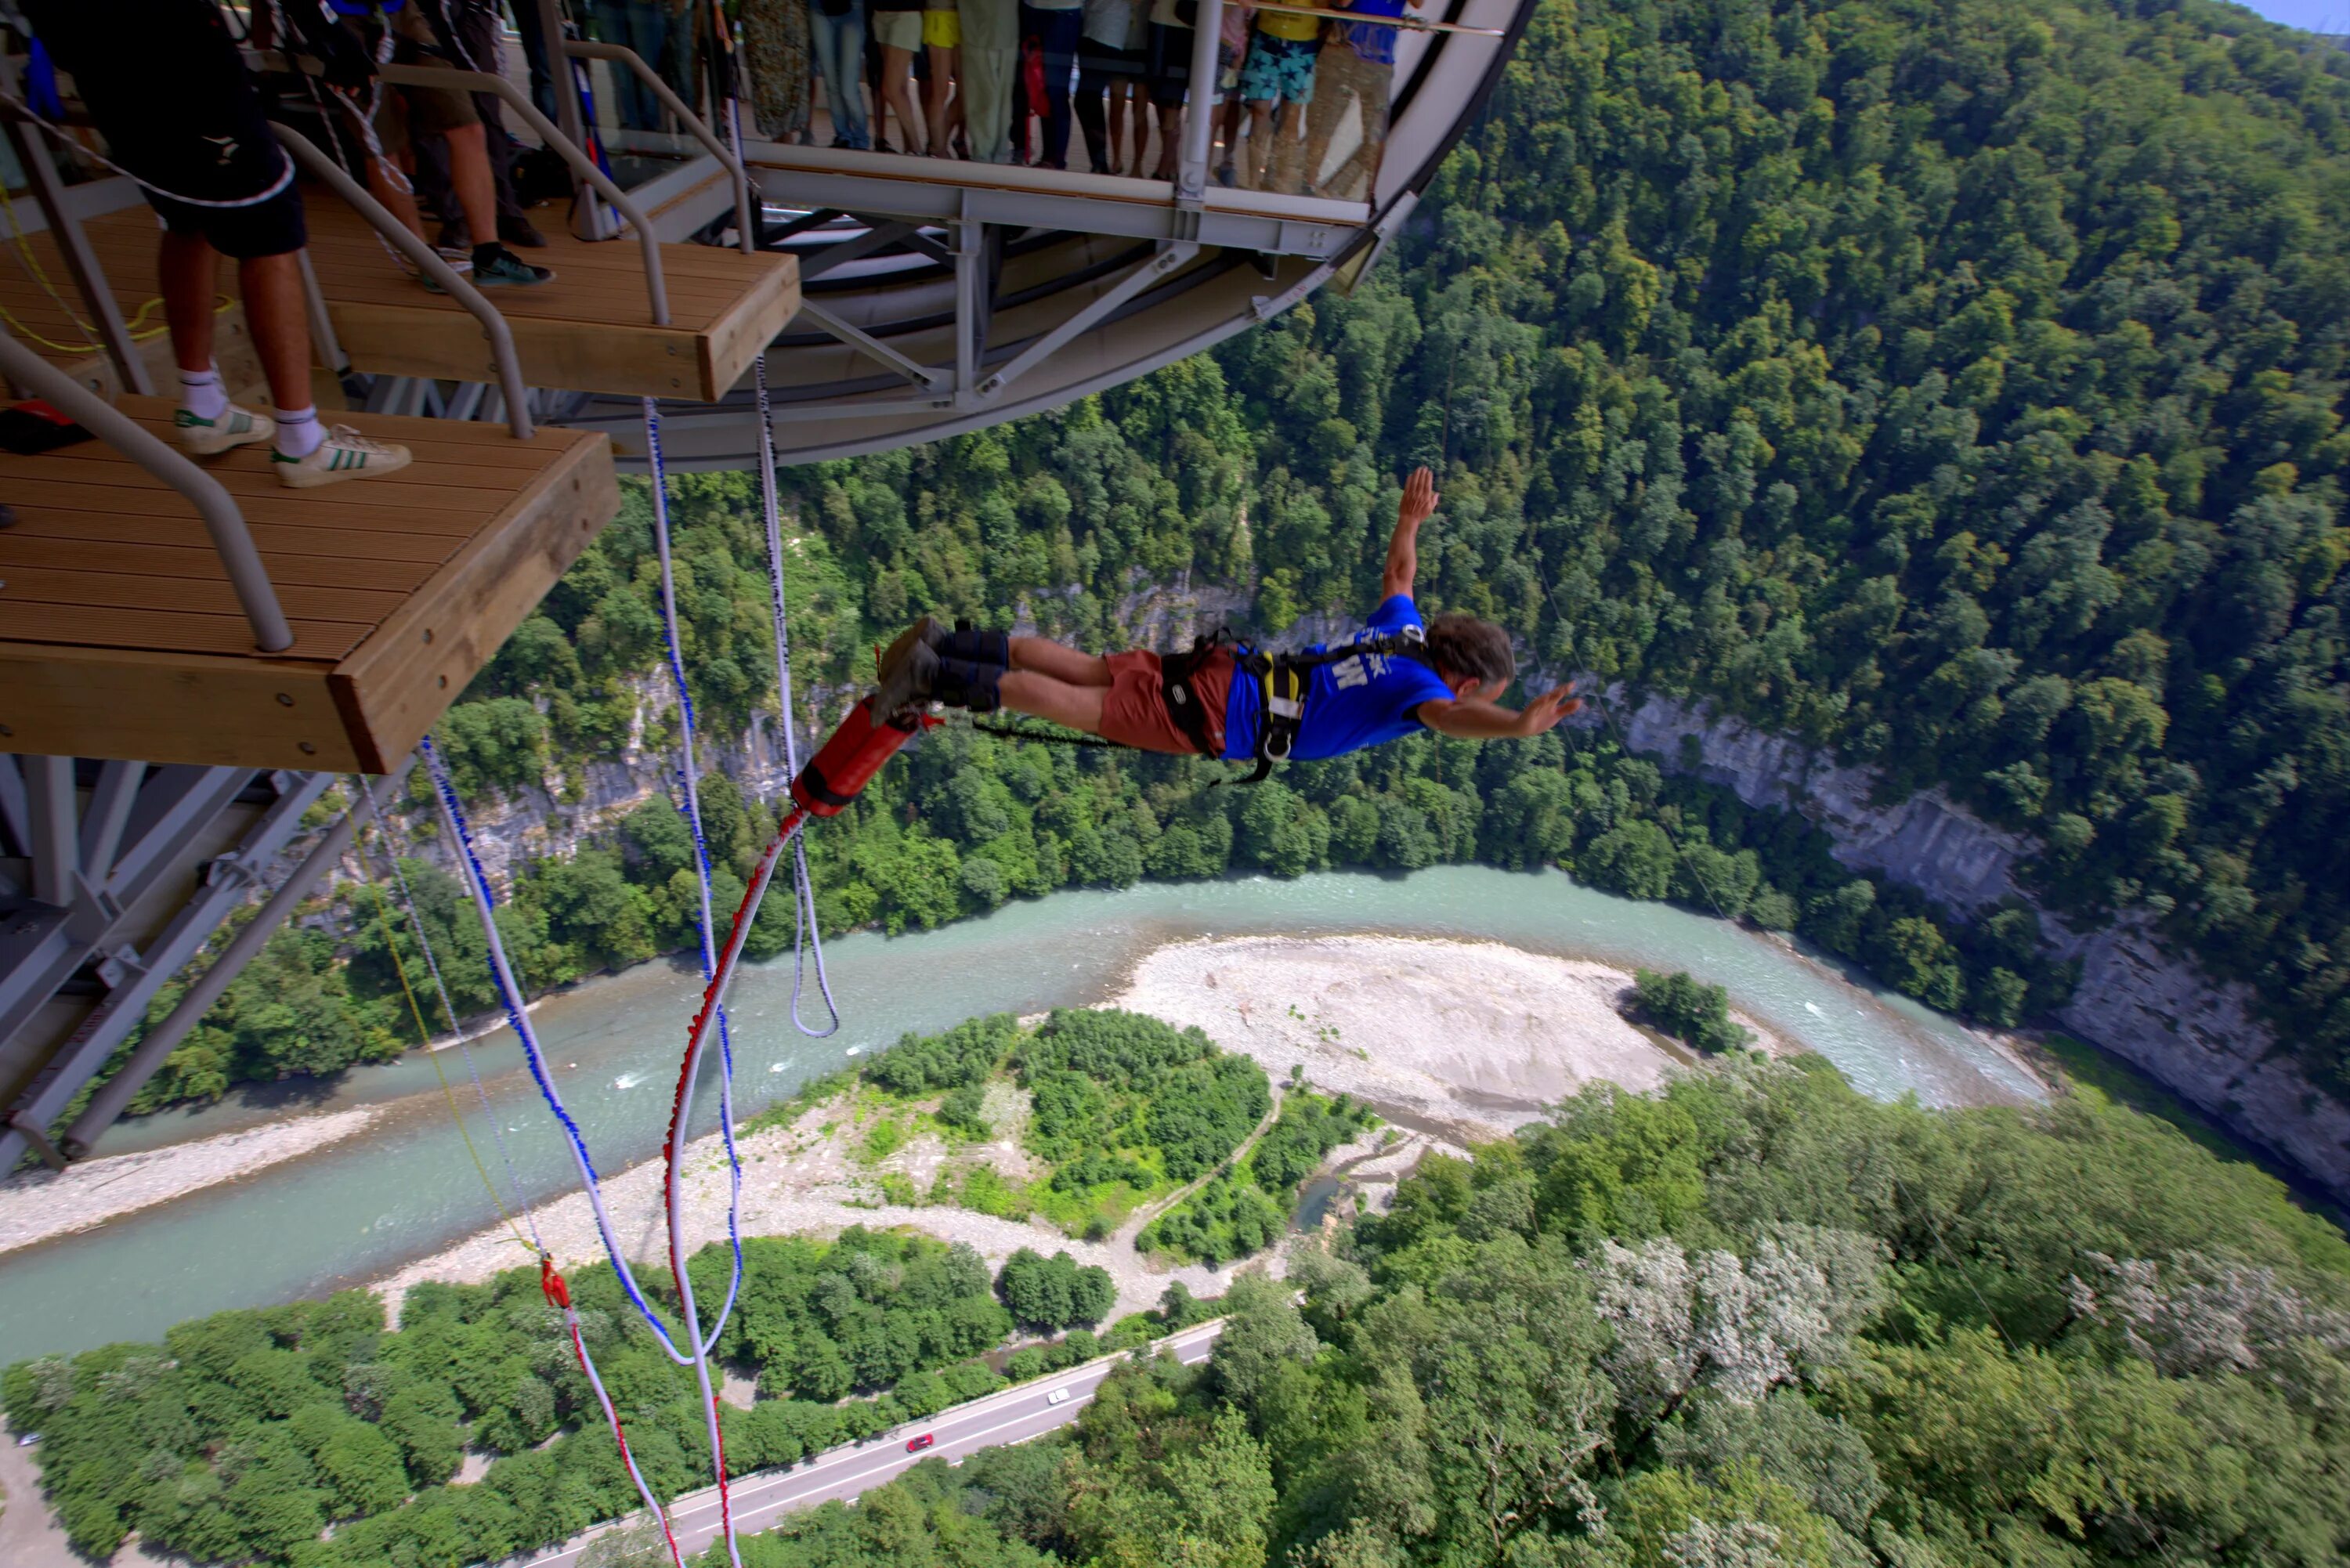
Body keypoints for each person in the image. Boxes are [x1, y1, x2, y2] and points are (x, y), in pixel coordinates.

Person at [873, 468, 1582, 763]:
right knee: (1077, 706)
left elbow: (1402, 571)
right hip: (1222, 717)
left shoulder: (1403, 631)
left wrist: (1410, 520)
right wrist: (1517, 725)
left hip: (1222, 669)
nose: (1471, 702)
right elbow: (1456, 722)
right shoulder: (1424, 696)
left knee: (1092, 671)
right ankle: (932, 672)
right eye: (1481, 692)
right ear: (1461, 681)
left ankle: (949, 644)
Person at [21, 0, 413, 486]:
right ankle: (302, 443)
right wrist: (326, 29)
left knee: (185, 216)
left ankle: (204, 408)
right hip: (179, 49)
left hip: (96, 59)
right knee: (270, 232)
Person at [1300, 0, 1412, 198]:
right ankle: (1309, 182)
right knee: (1327, 120)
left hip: (1376, 57)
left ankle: (1367, 193)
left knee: (1375, 131)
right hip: (1348, 50)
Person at [1238, 0, 1321, 190]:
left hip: (1303, 47)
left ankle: (1278, 180)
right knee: (1259, 111)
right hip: (1266, 40)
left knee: (1291, 118)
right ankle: (1253, 181)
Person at [1074, 0, 1147, 173]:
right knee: (1088, 100)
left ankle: (1100, 161)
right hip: (1090, 26)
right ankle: (1099, 161)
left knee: (1087, 99)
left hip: (1108, 32)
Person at [1018, 0, 1084, 168]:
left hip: (1063, 12)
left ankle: (1056, 158)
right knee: (1037, 86)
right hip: (1032, 9)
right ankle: (1047, 155)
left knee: (1056, 89)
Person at [742, 0, 816, 143]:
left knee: (791, 71)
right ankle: (777, 133)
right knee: (765, 74)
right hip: (760, 15)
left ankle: (785, 132)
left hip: (788, 12)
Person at [803, 0, 870, 147]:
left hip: (853, 8)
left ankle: (861, 138)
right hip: (818, 8)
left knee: (848, 87)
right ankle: (843, 134)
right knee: (831, 81)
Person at [869, 0, 930, 151]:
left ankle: (916, 149)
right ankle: (909, 147)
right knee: (900, 87)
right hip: (881, 13)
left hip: (907, 15)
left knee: (891, 89)